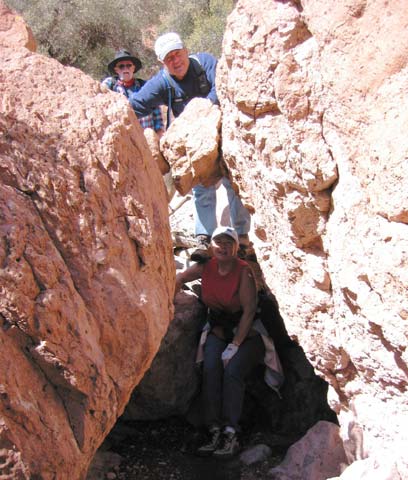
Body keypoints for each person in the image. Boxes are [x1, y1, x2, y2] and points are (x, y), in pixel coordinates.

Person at [129, 32, 252, 262]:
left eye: (178, 54)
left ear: (186, 51)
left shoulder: (204, 63)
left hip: (222, 133)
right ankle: (204, 240)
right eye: (169, 59)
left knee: (232, 182)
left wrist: (202, 108)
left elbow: (222, 85)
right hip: (193, 144)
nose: (176, 61)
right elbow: (136, 105)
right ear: (163, 63)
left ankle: (242, 237)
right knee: (201, 186)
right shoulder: (162, 83)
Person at [175, 226, 284, 458]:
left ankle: (231, 432)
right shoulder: (206, 267)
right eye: (218, 243)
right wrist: (169, 301)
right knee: (210, 369)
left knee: (233, 370)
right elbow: (180, 277)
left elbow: (249, 311)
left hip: (249, 333)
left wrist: (235, 345)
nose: (223, 247)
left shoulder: (243, 271)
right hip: (219, 329)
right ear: (211, 246)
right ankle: (213, 429)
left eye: (228, 243)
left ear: (235, 247)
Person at [102, 50, 164, 135]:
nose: (125, 69)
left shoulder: (145, 86)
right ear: (116, 70)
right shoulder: (111, 84)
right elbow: (101, 89)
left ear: (133, 68)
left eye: (129, 65)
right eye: (121, 66)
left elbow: (156, 110)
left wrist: (159, 132)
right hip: (123, 137)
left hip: (146, 137)